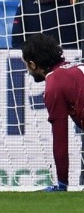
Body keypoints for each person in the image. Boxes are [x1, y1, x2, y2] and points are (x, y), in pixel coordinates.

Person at [21, 32, 84, 192]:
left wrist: (62, 184)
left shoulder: (54, 85)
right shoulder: (77, 66)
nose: (27, 69)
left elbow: (61, 141)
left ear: (33, 64)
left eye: (26, 65)